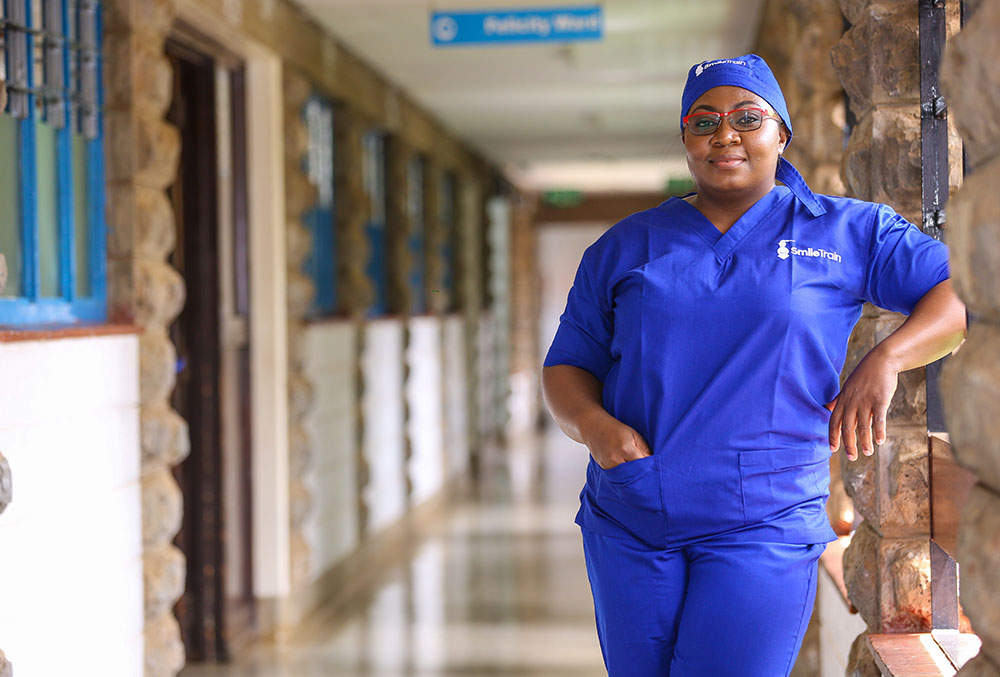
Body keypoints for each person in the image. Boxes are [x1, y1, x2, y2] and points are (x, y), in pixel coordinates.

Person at [541, 54, 967, 677]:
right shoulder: (626, 246)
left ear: (781, 133)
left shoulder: (848, 231)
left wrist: (888, 357)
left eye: (747, 117)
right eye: (704, 121)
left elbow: (963, 291)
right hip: (633, 510)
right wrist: (593, 426)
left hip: (763, 520)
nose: (725, 135)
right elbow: (567, 365)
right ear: (686, 138)